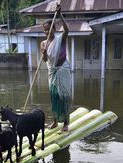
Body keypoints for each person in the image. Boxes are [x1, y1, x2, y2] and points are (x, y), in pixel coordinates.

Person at [41, 4, 72, 132]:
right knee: (54, 96)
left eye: (49, 29)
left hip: (63, 70)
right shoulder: (43, 43)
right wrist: (43, 53)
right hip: (52, 72)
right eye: (45, 30)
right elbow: (45, 60)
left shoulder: (61, 38)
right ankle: (54, 121)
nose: (47, 32)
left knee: (63, 96)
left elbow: (67, 30)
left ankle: (65, 123)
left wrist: (60, 15)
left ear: (54, 28)